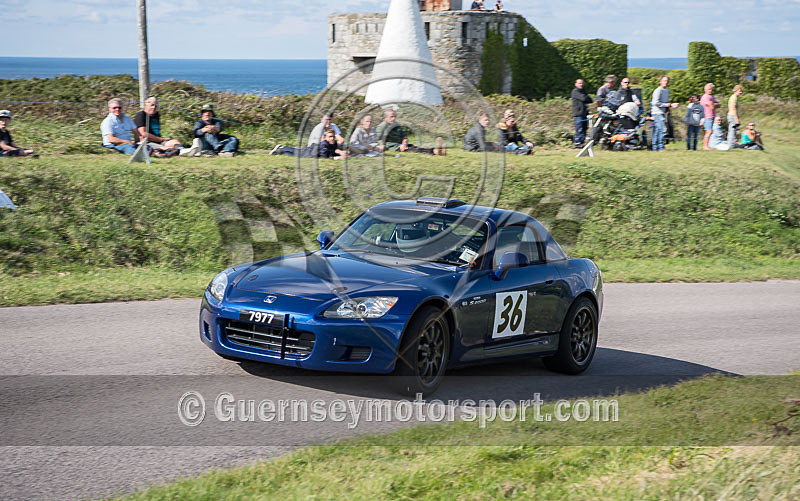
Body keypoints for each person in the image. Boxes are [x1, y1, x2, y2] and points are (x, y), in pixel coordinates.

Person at [376, 109, 444, 155]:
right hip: (393, 147)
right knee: (413, 150)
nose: (393, 118)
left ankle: (437, 150)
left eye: (394, 116)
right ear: (385, 117)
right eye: (391, 117)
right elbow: (376, 139)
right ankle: (435, 151)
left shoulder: (396, 124)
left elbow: (404, 136)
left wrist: (404, 143)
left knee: (415, 147)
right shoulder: (381, 127)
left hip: (402, 145)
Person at [270, 128, 349, 159]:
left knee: (292, 153)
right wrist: (338, 158)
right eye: (330, 136)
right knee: (294, 152)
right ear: (326, 137)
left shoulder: (334, 143)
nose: (332, 138)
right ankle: (282, 148)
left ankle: (281, 150)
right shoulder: (324, 144)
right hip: (308, 153)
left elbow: (332, 152)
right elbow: (324, 157)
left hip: (310, 151)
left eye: (333, 137)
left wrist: (341, 154)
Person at [650, 76, 679, 152]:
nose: (665, 82)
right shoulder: (658, 90)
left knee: (657, 130)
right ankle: (661, 147)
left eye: (667, 81)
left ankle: (655, 148)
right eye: (664, 80)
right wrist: (666, 105)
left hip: (662, 112)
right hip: (656, 112)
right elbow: (655, 102)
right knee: (662, 129)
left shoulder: (667, 91)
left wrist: (672, 104)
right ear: (660, 81)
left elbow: (666, 102)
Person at [571, 78, 592, 148]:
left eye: (582, 83)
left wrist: (585, 97)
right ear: (575, 84)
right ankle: (577, 142)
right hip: (578, 114)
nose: (581, 84)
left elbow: (590, 100)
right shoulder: (575, 92)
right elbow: (584, 98)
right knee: (579, 129)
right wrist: (585, 97)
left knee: (585, 128)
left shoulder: (583, 91)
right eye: (579, 83)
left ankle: (581, 143)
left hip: (584, 113)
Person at [700, 83, 719, 150]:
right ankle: (705, 146)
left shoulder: (711, 97)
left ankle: (707, 145)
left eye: (711, 89)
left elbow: (718, 104)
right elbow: (712, 106)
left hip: (712, 116)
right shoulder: (705, 97)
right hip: (707, 116)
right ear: (705, 89)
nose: (710, 90)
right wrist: (714, 104)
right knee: (709, 131)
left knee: (710, 131)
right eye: (709, 89)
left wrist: (714, 104)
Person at [727, 84, 743, 149]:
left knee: (732, 130)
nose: (741, 92)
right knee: (732, 131)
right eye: (739, 91)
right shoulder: (734, 98)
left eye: (741, 91)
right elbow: (733, 108)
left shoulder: (733, 97)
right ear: (735, 90)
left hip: (731, 115)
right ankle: (730, 146)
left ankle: (731, 144)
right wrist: (736, 119)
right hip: (732, 116)